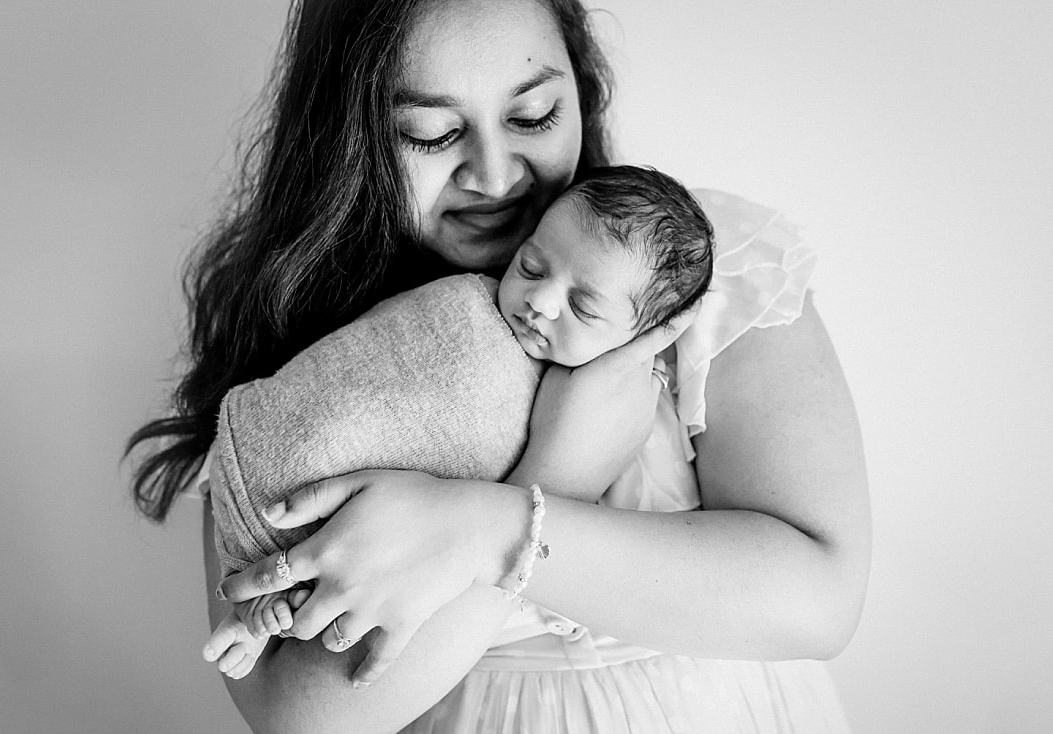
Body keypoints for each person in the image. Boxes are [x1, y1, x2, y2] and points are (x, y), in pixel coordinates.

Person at [127, 1, 870, 732]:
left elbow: (817, 602)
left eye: (533, 116)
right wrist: (552, 476)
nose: (494, 174)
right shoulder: (299, 355)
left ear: (580, 88)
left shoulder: (694, 268)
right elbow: (301, 717)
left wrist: (493, 528)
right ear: (346, 142)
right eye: (433, 132)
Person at [200, 164, 716, 679]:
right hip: (290, 454)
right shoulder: (468, 302)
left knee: (324, 575)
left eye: (582, 307)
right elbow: (375, 355)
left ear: (643, 337)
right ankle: (259, 605)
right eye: (532, 267)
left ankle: (262, 615)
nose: (539, 300)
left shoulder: (623, 415)